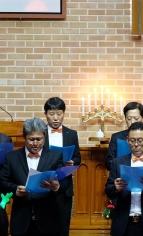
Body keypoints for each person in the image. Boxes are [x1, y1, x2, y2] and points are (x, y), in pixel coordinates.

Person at [0, 117, 65, 236]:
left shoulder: (56, 156)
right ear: (24, 137)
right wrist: (15, 190)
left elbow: (65, 183)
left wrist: (56, 187)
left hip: (47, 220)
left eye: (39, 139)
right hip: (21, 219)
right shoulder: (12, 157)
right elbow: (2, 182)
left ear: (45, 136)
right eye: (31, 139)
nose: (35, 143)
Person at [42, 97, 81, 236]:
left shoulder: (72, 134)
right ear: (45, 114)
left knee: (63, 227)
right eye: (51, 114)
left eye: (59, 113)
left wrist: (73, 162)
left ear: (64, 113)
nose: (55, 118)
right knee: (43, 226)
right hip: (44, 184)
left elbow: (77, 157)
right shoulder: (40, 133)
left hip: (64, 186)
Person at [106, 102, 143, 170]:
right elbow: (108, 163)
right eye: (129, 118)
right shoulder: (116, 137)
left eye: (136, 118)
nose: (132, 122)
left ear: (142, 117)